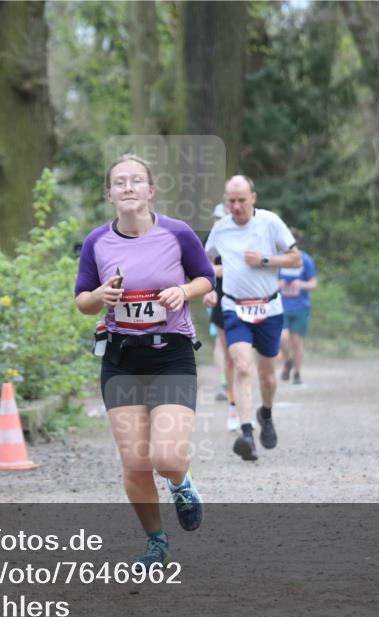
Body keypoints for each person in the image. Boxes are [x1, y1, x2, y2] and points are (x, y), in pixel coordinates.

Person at [74, 154, 215, 566]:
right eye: (120, 182)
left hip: (170, 353)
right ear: (109, 195)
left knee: (166, 457)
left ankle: (182, 484)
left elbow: (206, 276)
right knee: (135, 464)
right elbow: (83, 301)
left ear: (151, 191)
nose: (129, 187)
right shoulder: (96, 242)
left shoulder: (178, 233)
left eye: (137, 181)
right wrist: (101, 296)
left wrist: (183, 293)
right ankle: (156, 542)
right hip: (121, 358)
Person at [205, 175, 301, 461]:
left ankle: (266, 414)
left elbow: (295, 258)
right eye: (230, 201)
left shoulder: (270, 223)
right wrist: (209, 287)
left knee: (267, 375)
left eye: (241, 200)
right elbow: (204, 261)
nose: (235, 206)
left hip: (269, 308)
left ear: (253, 199)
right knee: (242, 366)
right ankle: (247, 434)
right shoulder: (220, 230)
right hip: (234, 308)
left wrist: (265, 260)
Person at [204, 203, 240, 431]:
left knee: (240, 351)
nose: (220, 220)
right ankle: (225, 384)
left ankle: (235, 391)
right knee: (222, 342)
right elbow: (204, 269)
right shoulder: (212, 239)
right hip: (217, 296)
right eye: (217, 217)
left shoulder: (242, 235)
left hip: (245, 298)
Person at [277, 229, 317, 385]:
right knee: (283, 338)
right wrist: (277, 285)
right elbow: (267, 283)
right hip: (282, 305)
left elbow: (314, 283)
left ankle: (297, 373)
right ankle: (288, 360)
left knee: (297, 342)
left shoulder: (305, 260)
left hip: (301, 306)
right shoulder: (278, 260)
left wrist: (301, 284)